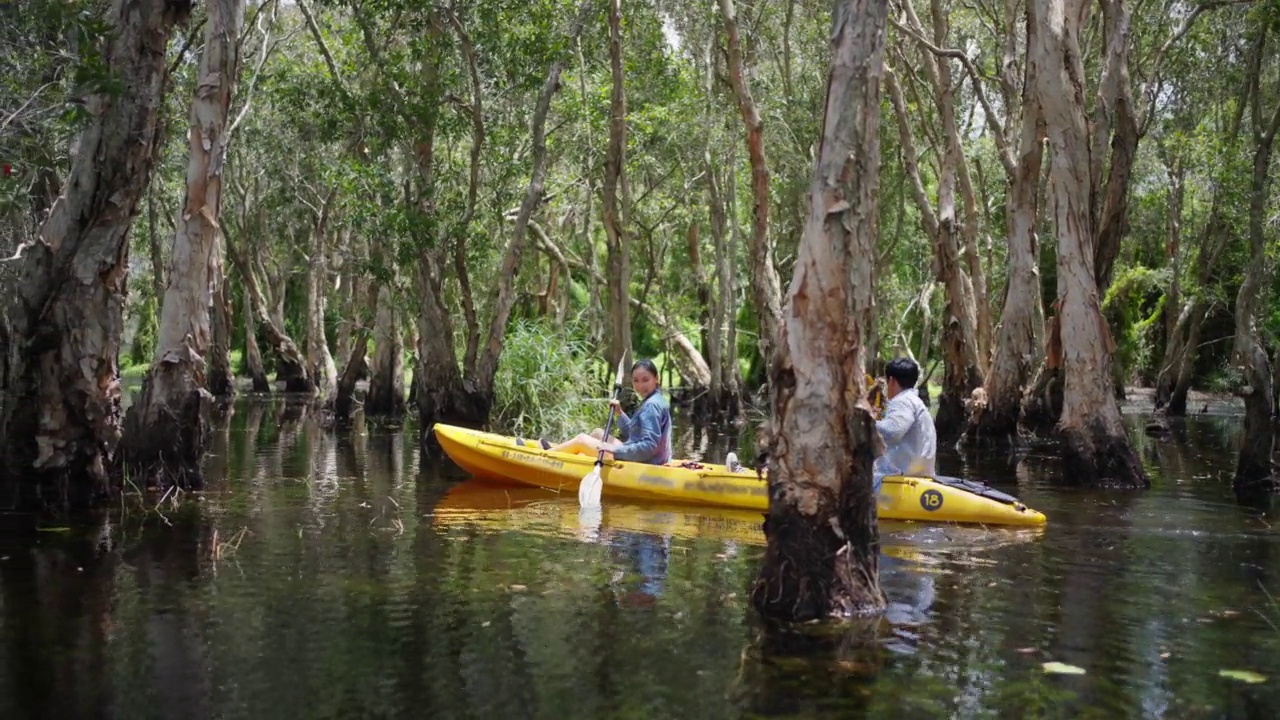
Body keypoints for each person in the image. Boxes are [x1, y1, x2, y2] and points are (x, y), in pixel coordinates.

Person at [545, 358, 674, 465]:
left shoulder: (652, 405)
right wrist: (619, 413)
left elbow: (649, 446)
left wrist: (615, 450)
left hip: (646, 463)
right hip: (647, 458)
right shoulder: (654, 399)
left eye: (645, 380)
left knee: (581, 440)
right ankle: (572, 458)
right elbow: (635, 434)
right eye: (636, 380)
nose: (640, 386)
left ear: (656, 378)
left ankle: (546, 457)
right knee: (597, 433)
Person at [873, 357, 937, 492]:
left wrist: (868, 421)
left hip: (901, 479)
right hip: (920, 475)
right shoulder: (914, 401)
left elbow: (893, 431)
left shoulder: (902, 401)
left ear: (891, 381)